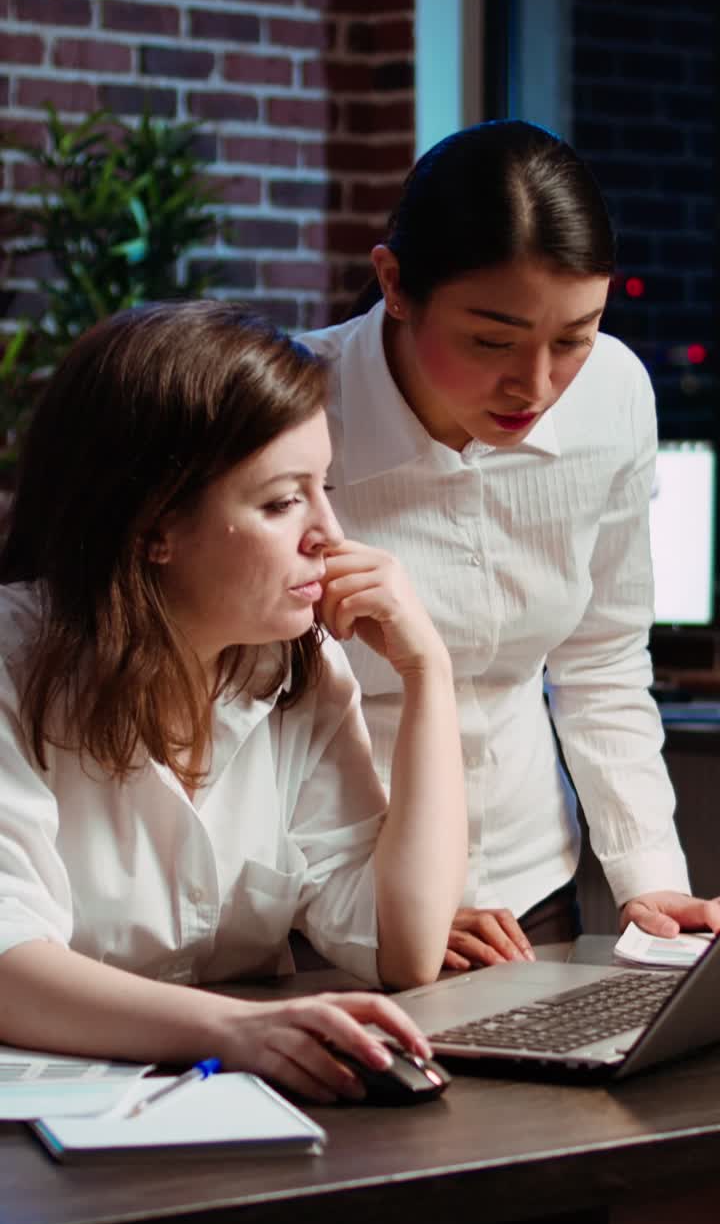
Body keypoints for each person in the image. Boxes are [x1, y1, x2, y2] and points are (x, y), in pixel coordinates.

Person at [0, 301, 467, 1103]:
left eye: (323, 488)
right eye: (284, 501)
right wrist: (229, 1030)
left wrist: (430, 673)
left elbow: (404, 945)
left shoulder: (299, 669)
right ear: (155, 528)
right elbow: (10, 968)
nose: (330, 531)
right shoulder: (14, 664)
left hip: (228, 1113)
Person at [298, 118, 720, 970]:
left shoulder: (612, 395)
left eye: (573, 337)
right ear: (396, 284)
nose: (535, 386)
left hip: (533, 896)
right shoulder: (294, 414)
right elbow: (239, 716)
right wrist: (373, 915)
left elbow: (600, 660)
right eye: (492, 340)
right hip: (331, 906)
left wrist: (647, 875)